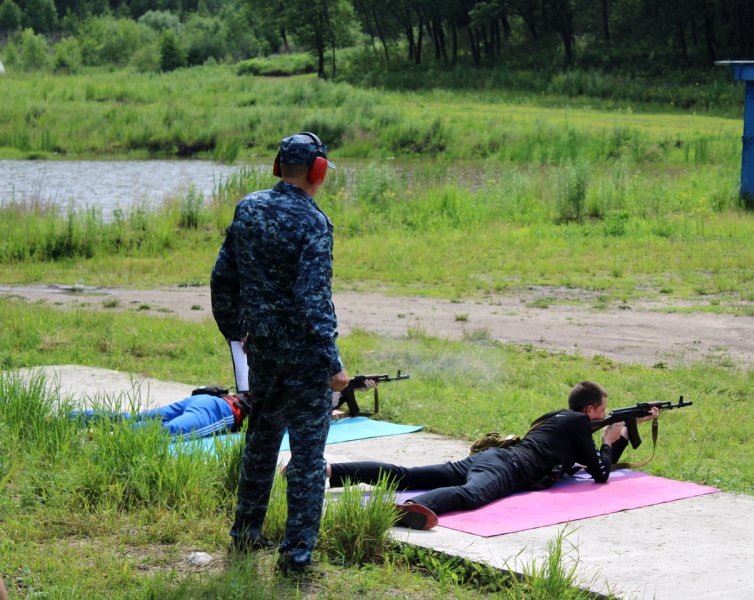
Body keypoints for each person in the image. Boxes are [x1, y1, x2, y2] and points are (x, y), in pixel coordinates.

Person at [210, 131, 349, 574]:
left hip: (263, 352)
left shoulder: (247, 208)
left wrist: (239, 332)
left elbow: (221, 280)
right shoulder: (314, 223)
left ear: (278, 166)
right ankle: (295, 557)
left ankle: (245, 534)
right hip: (306, 359)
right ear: (318, 171)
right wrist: (333, 362)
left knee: (261, 441)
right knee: (308, 457)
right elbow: (313, 301)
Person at [326, 381, 659, 530]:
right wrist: (608, 437)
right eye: (603, 410)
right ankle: (413, 508)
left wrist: (620, 434)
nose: (605, 414)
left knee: (407, 474)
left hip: (492, 459)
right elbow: (600, 473)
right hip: (509, 467)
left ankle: (328, 471)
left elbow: (595, 462)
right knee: (472, 496)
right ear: (590, 411)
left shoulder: (559, 418)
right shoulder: (577, 424)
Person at [69, 390, 250, 439]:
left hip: (206, 400)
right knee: (168, 432)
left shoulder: (259, 380)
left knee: (133, 418)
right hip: (220, 412)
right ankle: (114, 437)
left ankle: (70, 417)